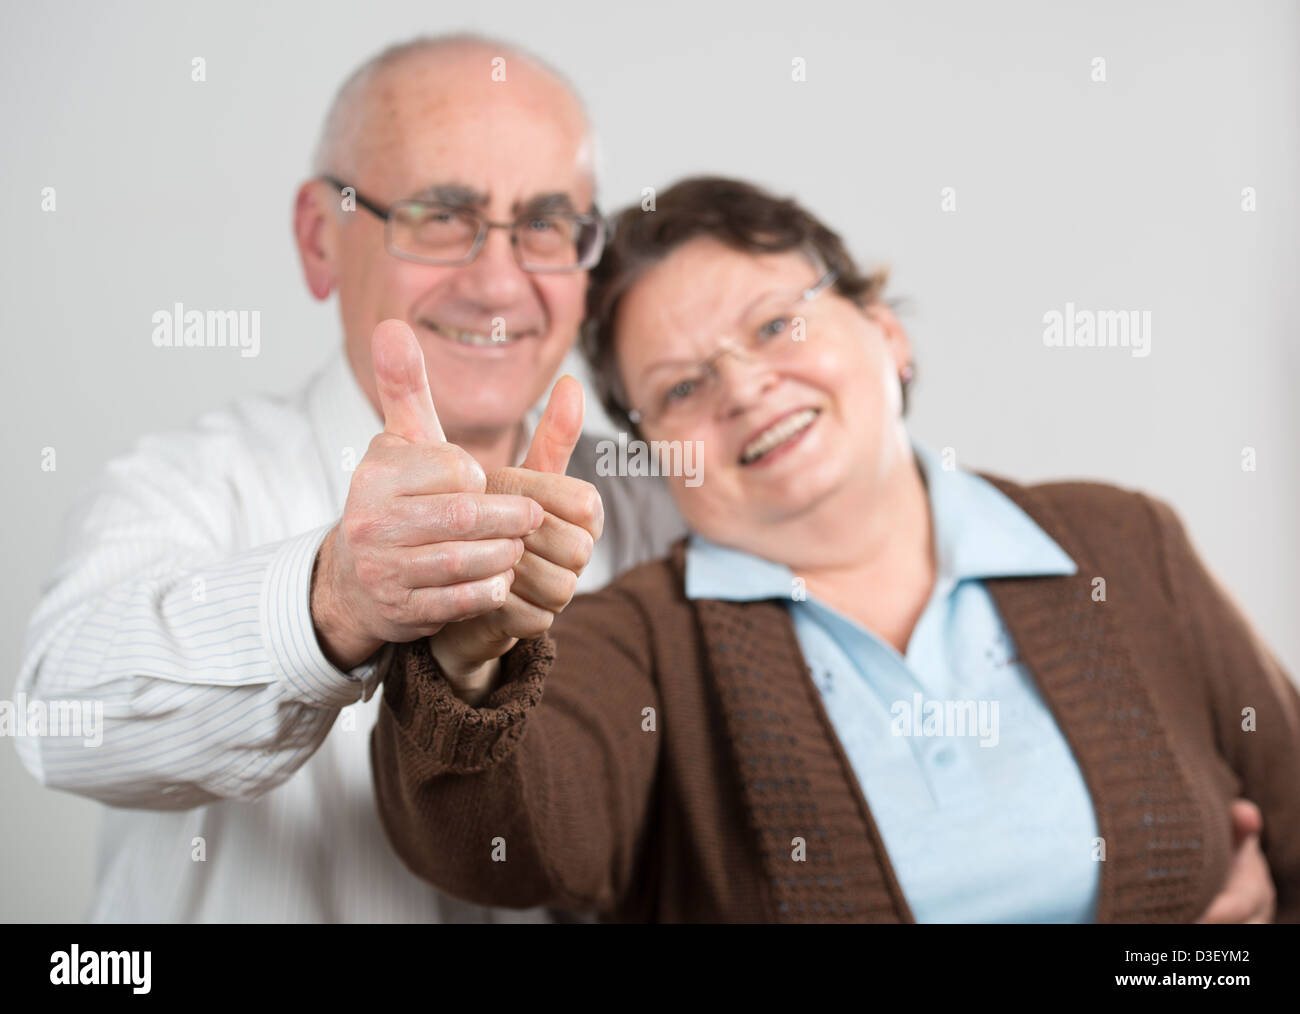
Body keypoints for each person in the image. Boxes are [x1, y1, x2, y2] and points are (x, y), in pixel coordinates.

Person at [371, 176, 1297, 922]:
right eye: (683, 386)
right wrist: (464, 664)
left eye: (777, 326)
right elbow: (508, 851)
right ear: (658, 453)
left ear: (886, 331)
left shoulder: (1122, 541)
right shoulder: (638, 641)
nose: (743, 389)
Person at [12, 34, 683, 922]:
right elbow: (58, 723)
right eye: (442, 214)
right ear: (319, 239)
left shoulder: (661, 513)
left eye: (546, 224)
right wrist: (332, 603)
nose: (498, 283)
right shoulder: (191, 482)